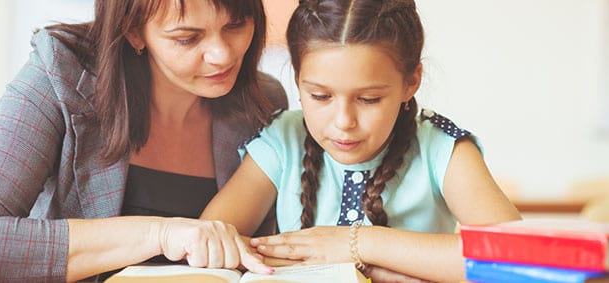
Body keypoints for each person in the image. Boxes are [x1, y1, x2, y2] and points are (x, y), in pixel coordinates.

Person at [200, 0, 522, 281]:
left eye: (369, 99)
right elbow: (209, 237)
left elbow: (518, 258)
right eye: (320, 96)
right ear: (297, 80)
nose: (343, 122)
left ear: (411, 82)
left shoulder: (441, 148)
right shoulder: (281, 140)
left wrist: (358, 243)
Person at [0, 0, 287, 281]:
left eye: (235, 25)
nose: (222, 54)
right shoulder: (61, 73)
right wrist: (161, 235)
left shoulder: (261, 104)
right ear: (133, 30)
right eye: (187, 38)